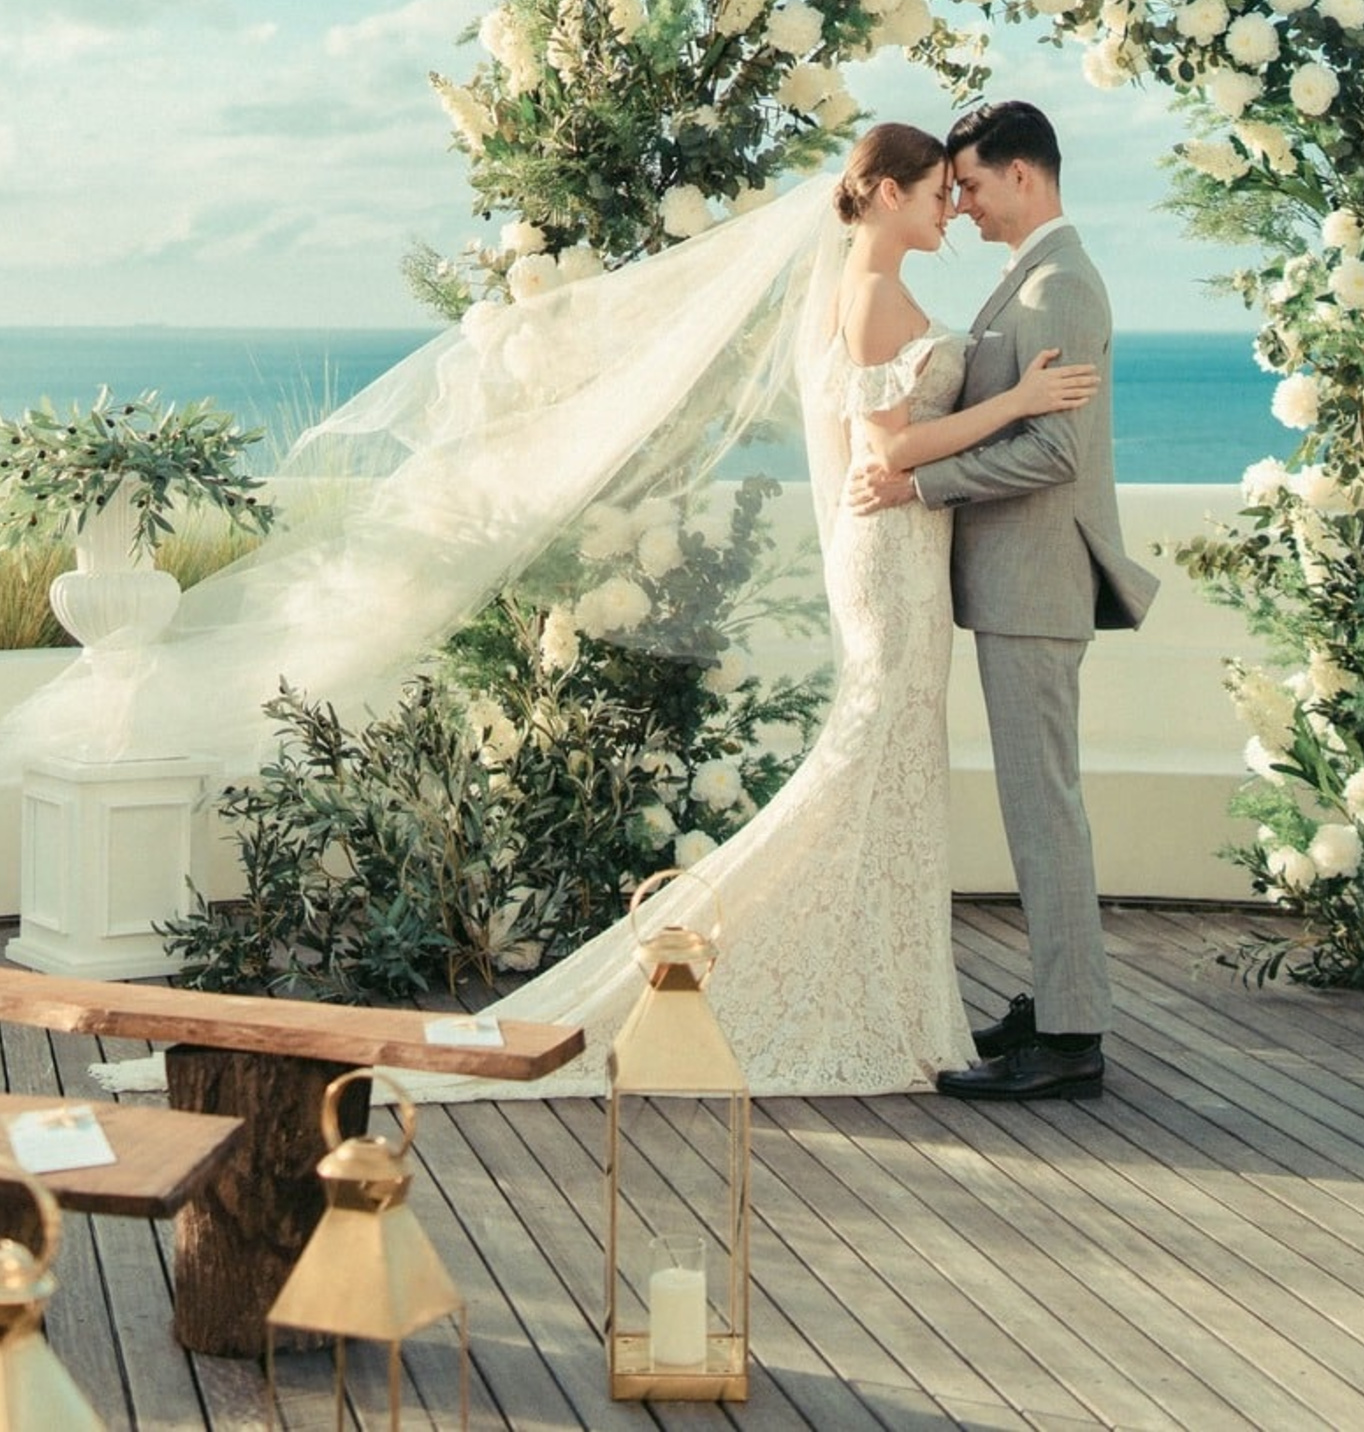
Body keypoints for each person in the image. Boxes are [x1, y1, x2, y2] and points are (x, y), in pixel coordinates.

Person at [405, 120, 1102, 1099]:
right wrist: (1018, 400)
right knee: (866, 768)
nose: (953, 205)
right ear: (890, 195)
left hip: (908, 552)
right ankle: (762, 973)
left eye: (960, 188)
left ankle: (900, 993)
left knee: (893, 778)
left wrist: (980, 421)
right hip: (892, 558)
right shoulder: (866, 298)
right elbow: (890, 452)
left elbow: (902, 442)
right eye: (941, 189)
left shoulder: (888, 292)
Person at [848, 99, 1157, 1103]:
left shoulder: (1059, 286)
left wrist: (918, 484)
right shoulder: (1029, 281)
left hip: (1038, 583)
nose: (965, 206)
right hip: (1018, 583)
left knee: (1043, 808)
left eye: (972, 185)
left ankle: (1071, 1036)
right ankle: (1059, 1000)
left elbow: (1053, 450)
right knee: (1040, 803)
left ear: (1024, 176)